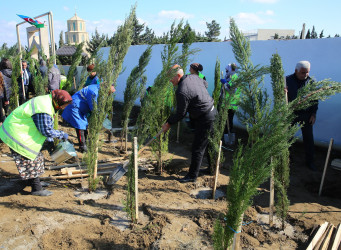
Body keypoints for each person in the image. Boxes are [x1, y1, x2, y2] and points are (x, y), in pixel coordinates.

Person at [0, 89, 72, 196]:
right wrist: (62, 135)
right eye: (63, 105)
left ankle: (31, 181)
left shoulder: (48, 102)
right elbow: (46, 130)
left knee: (36, 157)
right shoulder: (44, 108)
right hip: (15, 133)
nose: (63, 108)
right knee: (29, 159)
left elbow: (45, 126)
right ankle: (36, 188)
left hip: (21, 131)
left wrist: (50, 142)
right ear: (58, 101)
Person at [162, 65, 217, 183]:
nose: (170, 81)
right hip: (213, 111)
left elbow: (181, 113)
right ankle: (211, 169)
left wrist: (168, 123)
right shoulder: (194, 77)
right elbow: (205, 84)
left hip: (205, 117)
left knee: (198, 147)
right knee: (209, 144)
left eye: (171, 78)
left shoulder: (181, 91)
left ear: (178, 76)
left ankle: (192, 176)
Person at [62, 83, 116, 152]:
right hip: (75, 107)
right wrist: (103, 116)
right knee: (80, 126)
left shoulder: (97, 88)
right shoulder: (94, 92)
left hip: (81, 107)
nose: (111, 93)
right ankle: (82, 146)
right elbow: (94, 108)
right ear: (107, 87)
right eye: (110, 92)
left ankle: (86, 143)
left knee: (84, 125)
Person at [286, 60, 318, 171]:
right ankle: (288, 160)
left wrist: (314, 113)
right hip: (291, 114)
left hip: (307, 115)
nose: (305, 75)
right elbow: (281, 98)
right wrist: (283, 92)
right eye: (303, 72)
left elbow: (315, 99)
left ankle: (310, 161)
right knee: (288, 138)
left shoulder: (312, 82)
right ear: (296, 71)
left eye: (307, 72)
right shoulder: (287, 80)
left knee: (309, 139)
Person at [220, 63, 239, 144]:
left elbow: (232, 91)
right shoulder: (228, 77)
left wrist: (225, 84)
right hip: (226, 104)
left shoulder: (235, 78)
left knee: (229, 122)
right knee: (224, 121)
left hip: (231, 105)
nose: (226, 71)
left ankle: (230, 140)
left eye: (228, 70)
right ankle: (227, 138)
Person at [0, 58, 12, 124]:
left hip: (4, 96)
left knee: (3, 115)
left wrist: (6, 99)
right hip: (11, 95)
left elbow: (5, 87)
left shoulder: (1, 73)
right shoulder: (12, 72)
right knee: (9, 113)